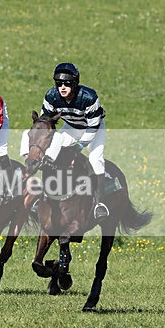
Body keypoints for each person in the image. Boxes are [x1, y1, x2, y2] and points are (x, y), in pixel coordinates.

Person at [39, 62, 109, 219]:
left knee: (95, 159)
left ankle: (100, 204)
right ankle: (45, 195)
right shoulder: (51, 96)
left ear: (75, 83)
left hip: (94, 129)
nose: (62, 87)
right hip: (71, 126)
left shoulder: (89, 97)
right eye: (59, 83)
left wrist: (77, 147)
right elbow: (45, 122)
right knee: (51, 153)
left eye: (67, 83)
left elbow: (92, 127)